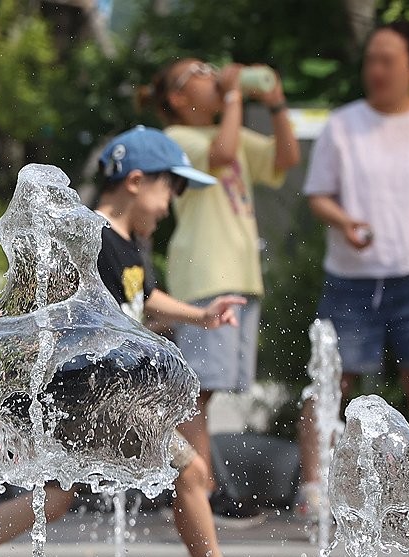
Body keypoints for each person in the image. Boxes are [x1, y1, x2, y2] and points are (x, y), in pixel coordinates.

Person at [0, 127, 289, 557]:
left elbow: (143, 303)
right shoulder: (93, 238)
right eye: (169, 190)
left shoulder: (130, 247)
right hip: (88, 395)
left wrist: (199, 316)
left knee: (60, 494)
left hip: (92, 396)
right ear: (136, 181)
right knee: (190, 472)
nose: (170, 206)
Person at [296, 21, 409, 516]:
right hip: (352, 274)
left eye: (387, 61)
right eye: (370, 60)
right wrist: (344, 220)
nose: (375, 70)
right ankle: (314, 488)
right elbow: (318, 195)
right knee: (331, 381)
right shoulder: (342, 124)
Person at [138, 59, 300, 522]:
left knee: (207, 390)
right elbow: (223, 156)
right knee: (199, 391)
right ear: (175, 97)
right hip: (206, 275)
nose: (213, 75)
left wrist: (276, 104)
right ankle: (198, 494)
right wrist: (233, 96)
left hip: (237, 276)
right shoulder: (178, 139)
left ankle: (197, 489)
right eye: (200, 72)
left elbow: (285, 159)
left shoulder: (222, 130)